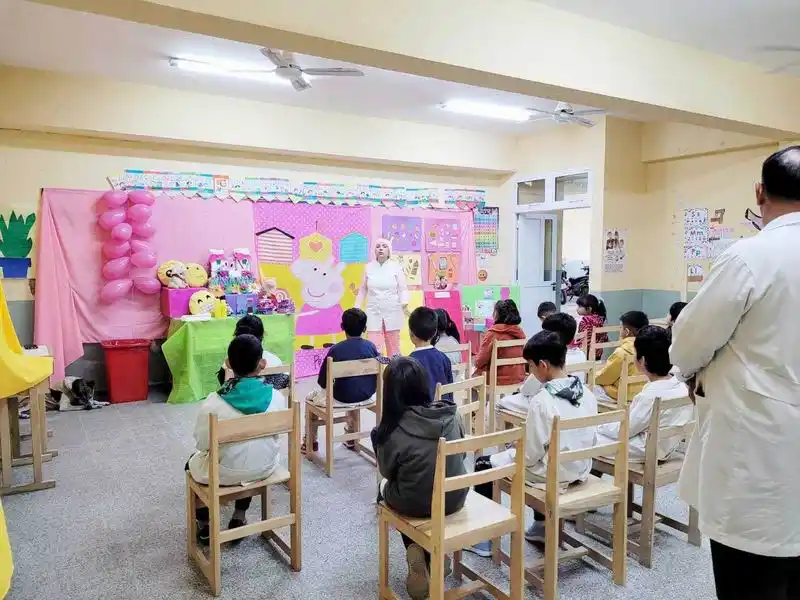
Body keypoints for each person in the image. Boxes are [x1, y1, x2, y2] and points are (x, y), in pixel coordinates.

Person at [671, 146, 800, 599]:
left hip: (756, 462)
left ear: (760, 193)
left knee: (751, 577)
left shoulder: (751, 256)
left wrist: (692, 374)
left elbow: (688, 342)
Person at [469, 331, 598, 555]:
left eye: (530, 365)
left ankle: (482, 541)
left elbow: (529, 457)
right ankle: (539, 526)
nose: (529, 371)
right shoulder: (587, 393)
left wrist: (513, 450)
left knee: (483, 464)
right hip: (580, 467)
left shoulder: (543, 400)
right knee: (523, 455)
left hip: (552, 475)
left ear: (543, 365)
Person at [372, 357, 467, 600]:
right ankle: (434, 555)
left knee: (385, 491)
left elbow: (387, 472)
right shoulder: (451, 414)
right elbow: (462, 453)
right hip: (455, 497)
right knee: (417, 487)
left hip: (416, 504)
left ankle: (417, 553)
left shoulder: (392, 429)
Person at [187, 334, 282, 544]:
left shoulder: (214, 403)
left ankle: (205, 526)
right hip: (266, 467)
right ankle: (239, 516)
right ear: (262, 363)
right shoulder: (277, 397)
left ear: (228, 363)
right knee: (250, 451)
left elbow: (202, 444)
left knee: (192, 462)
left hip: (223, 473)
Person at [596, 325, 693, 462]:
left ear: (642, 361)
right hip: (666, 448)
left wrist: (600, 425)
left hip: (643, 450)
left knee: (588, 439)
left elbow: (623, 431)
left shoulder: (650, 396)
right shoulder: (683, 387)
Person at [303, 308, 380, 453]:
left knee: (309, 399)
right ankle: (350, 436)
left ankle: (310, 442)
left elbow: (323, 382)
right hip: (367, 396)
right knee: (353, 389)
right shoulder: (371, 347)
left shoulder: (336, 350)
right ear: (365, 328)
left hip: (341, 398)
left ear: (342, 327)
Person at [499, 313, 587, 414]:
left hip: (549, 403)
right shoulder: (580, 354)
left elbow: (527, 390)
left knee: (501, 403)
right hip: (575, 400)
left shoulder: (548, 359)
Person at [355, 238, 409, 357]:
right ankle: (376, 373)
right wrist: (357, 307)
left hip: (392, 310)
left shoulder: (396, 266)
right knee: (374, 346)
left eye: (384, 246)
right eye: (378, 246)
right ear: (374, 251)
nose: (380, 248)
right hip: (373, 310)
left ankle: (395, 372)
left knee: (393, 346)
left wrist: (404, 302)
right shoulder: (368, 267)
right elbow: (363, 289)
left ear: (389, 251)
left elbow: (403, 288)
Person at [594, 311, 649, 403]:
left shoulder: (622, 352)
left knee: (589, 389)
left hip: (622, 395)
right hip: (644, 392)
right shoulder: (652, 346)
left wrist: (593, 376)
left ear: (627, 331)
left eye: (621, 328)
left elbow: (605, 377)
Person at [216, 314, 283, 386]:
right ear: (262, 335)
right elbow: (281, 385)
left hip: (239, 397)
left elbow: (223, 386)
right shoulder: (276, 361)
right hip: (270, 397)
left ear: (237, 337)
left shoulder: (229, 364)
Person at [473, 299, 526, 386]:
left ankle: (484, 400)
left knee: (472, 378)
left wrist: (475, 361)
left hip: (497, 379)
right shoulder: (520, 333)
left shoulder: (493, 333)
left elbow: (480, 362)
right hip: (518, 377)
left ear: (497, 314)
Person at [408, 307, 454, 400]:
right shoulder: (444, 358)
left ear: (411, 333)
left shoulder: (409, 363)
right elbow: (450, 392)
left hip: (422, 413)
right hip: (445, 411)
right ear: (435, 333)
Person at [571, 294, 608, 360]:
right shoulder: (601, 318)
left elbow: (582, 337)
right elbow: (605, 336)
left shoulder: (585, 320)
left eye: (579, 306)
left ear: (589, 309)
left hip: (586, 352)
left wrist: (577, 347)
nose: (577, 309)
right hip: (598, 352)